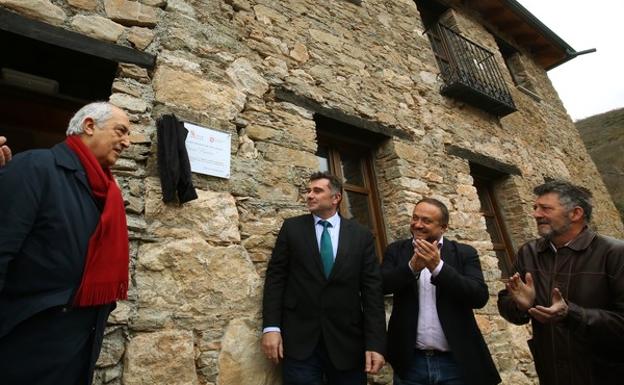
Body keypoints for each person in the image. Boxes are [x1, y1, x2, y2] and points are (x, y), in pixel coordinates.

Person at [0, 102, 132, 385]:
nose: (127, 142)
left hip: (77, 346)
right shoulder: (35, 168)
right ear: (89, 126)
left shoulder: (106, 192)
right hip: (26, 342)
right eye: (120, 131)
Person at [261, 171, 386, 385]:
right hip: (300, 342)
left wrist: (375, 344)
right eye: (308, 191)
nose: (310, 195)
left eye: (317, 191)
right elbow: (275, 279)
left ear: (336, 198)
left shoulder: (361, 235)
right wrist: (271, 328)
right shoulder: (292, 229)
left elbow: (372, 292)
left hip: (347, 343)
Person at [497, 180, 624, 385]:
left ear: (575, 214)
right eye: (535, 208)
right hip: (551, 374)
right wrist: (520, 305)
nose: (536, 214)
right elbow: (507, 305)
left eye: (545, 208)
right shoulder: (528, 253)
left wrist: (571, 314)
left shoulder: (614, 253)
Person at [382, 198, 501, 385]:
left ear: (443, 227)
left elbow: (479, 297)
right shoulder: (396, 251)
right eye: (415, 218)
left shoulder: (464, 253)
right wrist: (411, 268)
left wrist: (438, 268)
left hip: (455, 363)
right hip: (410, 362)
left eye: (426, 221)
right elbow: (382, 285)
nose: (417, 224)